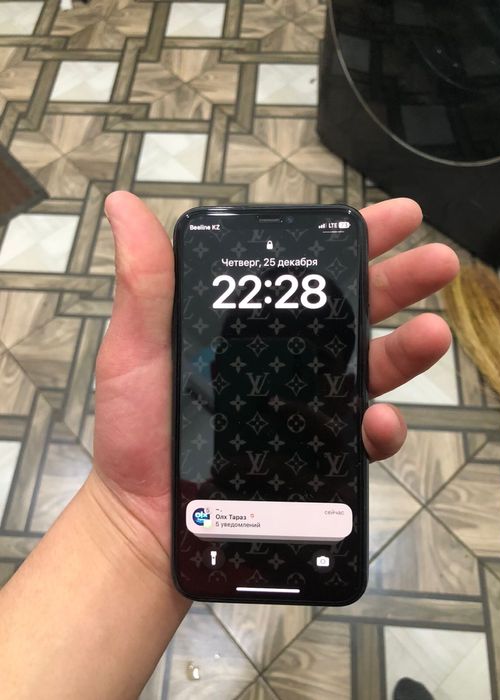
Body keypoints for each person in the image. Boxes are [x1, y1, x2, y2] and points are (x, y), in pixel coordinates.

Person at [0, 193, 459, 699]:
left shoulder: (225, 373)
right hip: (248, 516)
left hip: (222, 516)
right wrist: (126, 523)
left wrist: (127, 532)